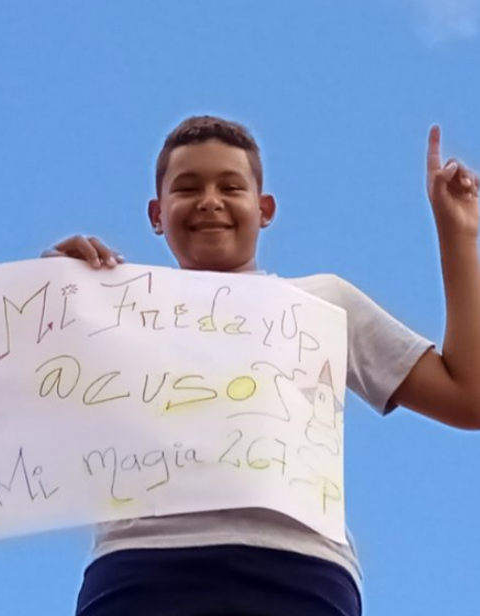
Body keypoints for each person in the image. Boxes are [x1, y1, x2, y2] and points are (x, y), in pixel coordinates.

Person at [44, 116, 480, 616]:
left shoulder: (323, 301)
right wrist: (44, 304)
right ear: (156, 214)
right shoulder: (108, 313)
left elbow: (467, 398)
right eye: (188, 188)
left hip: (298, 573)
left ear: (264, 209)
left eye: (231, 186)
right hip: (137, 570)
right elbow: (25, 412)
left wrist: (458, 234)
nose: (210, 200)